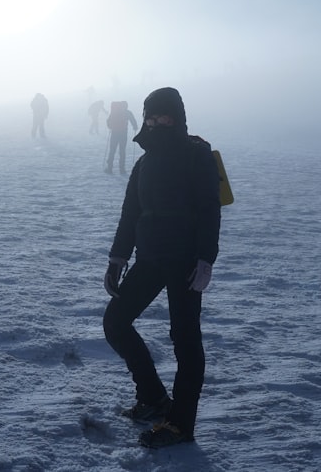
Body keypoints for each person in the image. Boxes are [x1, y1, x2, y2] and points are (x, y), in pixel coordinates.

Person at [102, 87, 221, 448]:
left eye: (163, 117)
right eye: (150, 117)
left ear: (178, 118)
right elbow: (130, 213)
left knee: (185, 341)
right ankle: (153, 398)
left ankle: (180, 423)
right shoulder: (145, 161)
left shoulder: (196, 155)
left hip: (185, 263)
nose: (155, 123)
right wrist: (118, 257)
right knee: (116, 322)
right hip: (149, 258)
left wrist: (205, 259)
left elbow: (209, 209)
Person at [104, 101, 138, 174]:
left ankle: (109, 168)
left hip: (114, 133)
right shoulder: (127, 112)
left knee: (112, 150)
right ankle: (122, 169)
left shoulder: (114, 111)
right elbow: (133, 120)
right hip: (123, 134)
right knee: (122, 151)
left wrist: (111, 126)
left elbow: (108, 121)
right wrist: (135, 127)